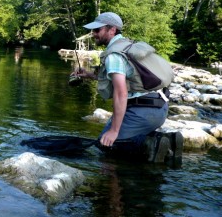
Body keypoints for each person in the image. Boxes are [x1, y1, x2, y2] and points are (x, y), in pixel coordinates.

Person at [73, 12, 183, 164]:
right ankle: (161, 144)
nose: (93, 34)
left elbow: (121, 93)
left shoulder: (114, 56)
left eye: (97, 30)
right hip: (160, 108)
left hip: (142, 112)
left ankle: (155, 143)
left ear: (112, 30)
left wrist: (114, 131)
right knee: (112, 141)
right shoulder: (128, 45)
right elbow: (128, 79)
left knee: (106, 145)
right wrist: (89, 75)